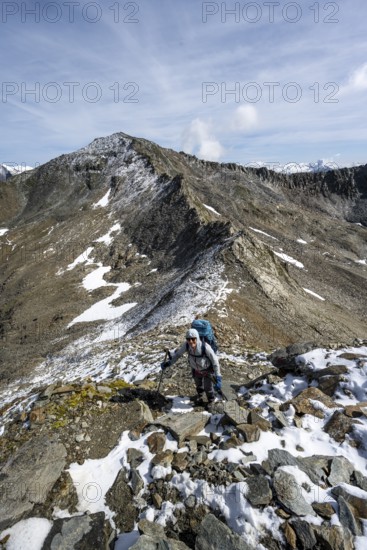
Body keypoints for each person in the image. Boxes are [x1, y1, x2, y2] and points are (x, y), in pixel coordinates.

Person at [161, 328, 222, 406]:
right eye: (188, 339)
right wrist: (168, 363)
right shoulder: (186, 345)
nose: (190, 341)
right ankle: (200, 397)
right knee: (199, 385)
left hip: (207, 370)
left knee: (208, 387)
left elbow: (215, 361)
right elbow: (178, 355)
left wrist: (218, 376)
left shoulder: (205, 347)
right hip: (196, 369)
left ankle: (211, 401)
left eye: (193, 339)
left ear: (197, 338)